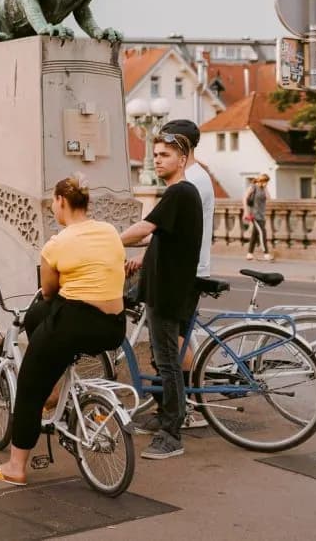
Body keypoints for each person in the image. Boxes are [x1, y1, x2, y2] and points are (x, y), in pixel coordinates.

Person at [0, 176, 127, 486]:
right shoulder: (110, 232)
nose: (53, 207)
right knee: (40, 318)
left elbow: (49, 291)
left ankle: (15, 467)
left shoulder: (57, 244)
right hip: (114, 327)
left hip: (75, 324)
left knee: (28, 387)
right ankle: (57, 382)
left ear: (62, 202)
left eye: (53, 201)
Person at [120, 133, 203, 460]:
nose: (157, 159)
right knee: (163, 357)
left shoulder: (180, 192)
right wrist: (141, 257)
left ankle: (172, 433)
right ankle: (162, 417)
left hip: (167, 292)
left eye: (165, 154)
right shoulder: (179, 194)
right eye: (155, 154)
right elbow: (159, 236)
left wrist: (107, 241)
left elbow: (145, 227)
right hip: (161, 286)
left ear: (182, 159)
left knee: (167, 362)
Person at [158, 119, 213, 429]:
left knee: (176, 342)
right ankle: (183, 405)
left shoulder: (191, 180)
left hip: (187, 270)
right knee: (178, 338)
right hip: (187, 266)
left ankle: (188, 407)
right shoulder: (193, 176)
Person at [244, 174, 273, 261]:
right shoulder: (253, 187)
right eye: (265, 182)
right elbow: (245, 198)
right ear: (261, 181)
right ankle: (266, 253)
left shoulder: (264, 189)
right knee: (262, 232)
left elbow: (269, 198)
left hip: (262, 215)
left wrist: (265, 188)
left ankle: (249, 254)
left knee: (255, 234)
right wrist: (246, 212)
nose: (267, 184)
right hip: (253, 214)